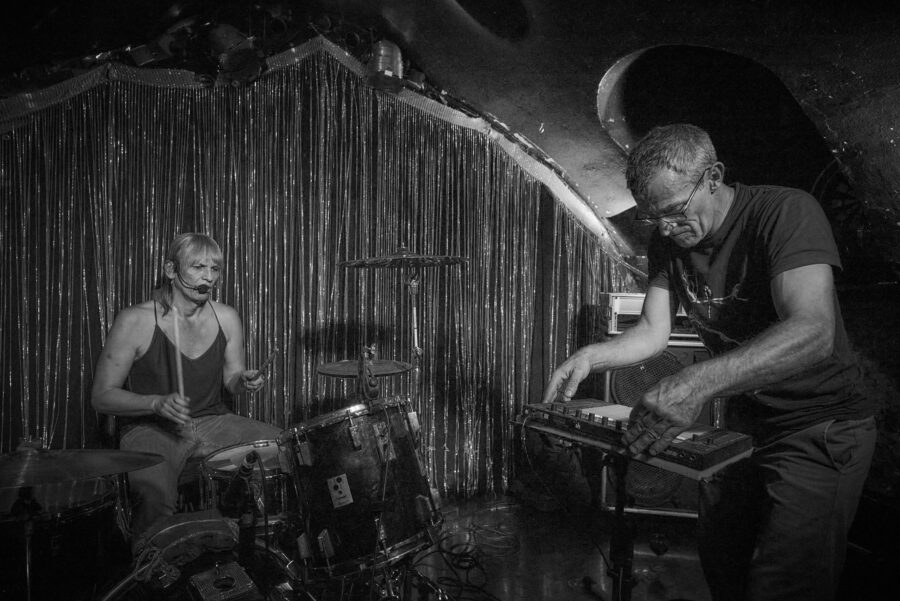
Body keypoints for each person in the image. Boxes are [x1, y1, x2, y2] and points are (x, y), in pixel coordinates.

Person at [542, 124, 876, 601]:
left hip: (820, 425)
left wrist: (695, 383)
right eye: (652, 217)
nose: (665, 228)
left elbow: (813, 331)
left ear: (714, 177)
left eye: (675, 211)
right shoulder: (668, 241)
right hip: (746, 426)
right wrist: (591, 357)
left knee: (784, 584)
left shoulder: (784, 212)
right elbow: (652, 330)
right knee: (722, 561)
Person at [92, 233, 281, 540]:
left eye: (214, 269)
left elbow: (232, 381)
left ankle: (257, 551)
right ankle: (154, 565)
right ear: (171, 270)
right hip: (151, 428)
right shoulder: (135, 320)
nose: (208, 277)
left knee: (284, 450)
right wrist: (155, 403)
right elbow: (101, 396)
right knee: (156, 496)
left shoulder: (227, 317)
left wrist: (243, 381)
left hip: (213, 421)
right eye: (198, 267)